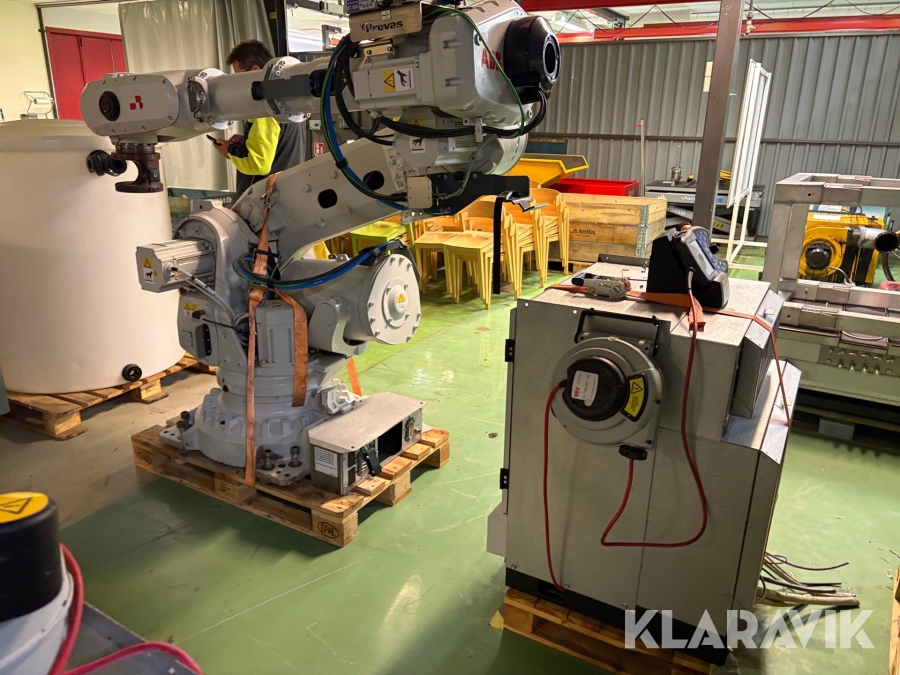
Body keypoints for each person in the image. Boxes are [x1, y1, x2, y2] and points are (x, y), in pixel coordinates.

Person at [211, 40, 306, 195]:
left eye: (238, 76)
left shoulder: (265, 108)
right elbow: (277, 144)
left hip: (264, 200)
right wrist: (247, 140)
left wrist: (229, 150)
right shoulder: (287, 102)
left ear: (255, 70)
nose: (236, 83)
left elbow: (258, 164)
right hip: (288, 192)